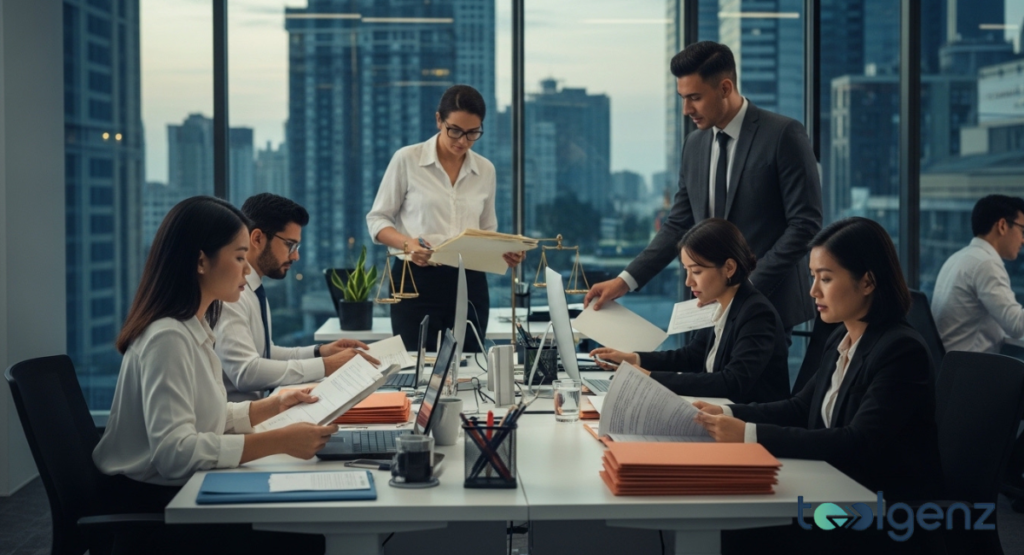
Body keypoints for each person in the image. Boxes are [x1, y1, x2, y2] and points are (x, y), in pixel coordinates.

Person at [93, 196, 332, 553]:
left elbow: (207, 416)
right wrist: (279, 441)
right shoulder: (168, 337)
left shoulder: (194, 326)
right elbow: (175, 454)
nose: (246, 270)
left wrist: (275, 406)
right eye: (238, 258)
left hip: (173, 491)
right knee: (305, 539)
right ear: (201, 261)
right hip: (155, 507)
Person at [693, 218, 942, 551]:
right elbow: (801, 407)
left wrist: (747, 435)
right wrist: (725, 411)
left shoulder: (900, 350)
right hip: (835, 486)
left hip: (880, 508)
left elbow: (858, 442)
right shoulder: (842, 336)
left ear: (867, 282)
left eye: (825, 278)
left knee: (741, 530)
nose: (813, 291)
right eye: (813, 277)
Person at [584, 41, 822, 338]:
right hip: (702, 307)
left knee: (750, 385)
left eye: (695, 97)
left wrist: (744, 290)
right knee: (697, 380)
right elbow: (678, 225)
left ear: (725, 87)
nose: (686, 110)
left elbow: (805, 225)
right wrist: (624, 281)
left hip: (764, 304)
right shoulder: (694, 145)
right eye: (682, 98)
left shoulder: (783, 135)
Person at [366, 84, 522, 351]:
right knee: (417, 368)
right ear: (439, 120)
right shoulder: (407, 159)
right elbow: (378, 220)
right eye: (455, 131)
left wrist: (505, 251)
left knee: (470, 369)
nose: (462, 141)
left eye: (473, 133)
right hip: (415, 279)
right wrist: (408, 244)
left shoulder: (485, 170)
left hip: (469, 282)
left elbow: (487, 230)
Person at [588, 219, 789, 404]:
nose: (688, 281)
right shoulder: (719, 303)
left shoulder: (757, 314)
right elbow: (692, 356)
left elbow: (732, 382)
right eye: (686, 270)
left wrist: (650, 378)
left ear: (729, 267)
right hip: (718, 413)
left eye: (697, 271)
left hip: (748, 427)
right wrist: (634, 359)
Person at [214, 193, 378, 402]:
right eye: (290, 245)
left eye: (297, 247)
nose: (295, 256)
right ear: (257, 239)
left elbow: (265, 353)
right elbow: (246, 372)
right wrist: (325, 366)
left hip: (259, 409)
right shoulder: (231, 294)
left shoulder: (254, 289)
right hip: (239, 420)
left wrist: (321, 352)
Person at [931, 194, 1024, 354]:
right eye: (1022, 230)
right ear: (1002, 225)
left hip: (950, 367)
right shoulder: (985, 263)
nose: (1023, 240)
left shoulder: (959, 257)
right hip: (970, 371)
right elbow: (1017, 326)